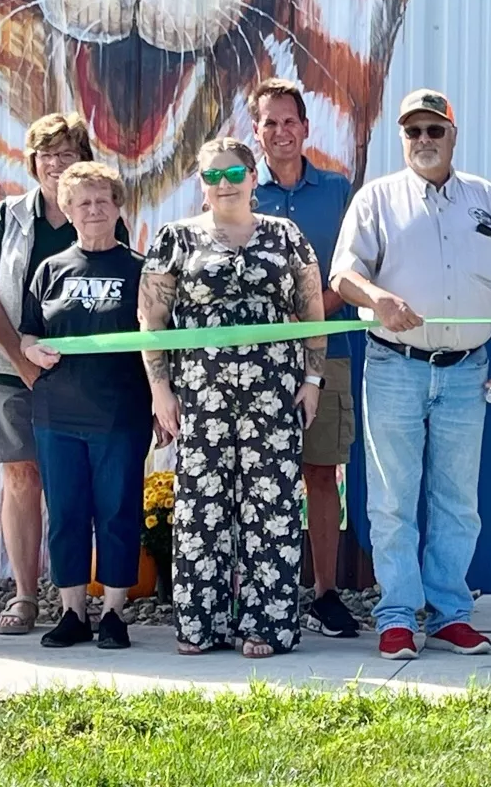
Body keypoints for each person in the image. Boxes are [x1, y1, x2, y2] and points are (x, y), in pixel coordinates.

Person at [334, 88, 491, 661]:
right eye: (413, 131)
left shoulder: (486, 199)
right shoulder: (376, 199)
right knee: (393, 498)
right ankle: (396, 615)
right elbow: (344, 273)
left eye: (434, 131)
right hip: (395, 367)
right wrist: (378, 298)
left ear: (453, 133)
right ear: (403, 138)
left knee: (456, 500)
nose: (424, 140)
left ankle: (450, 614)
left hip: (466, 372)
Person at [139, 139, 327, 659]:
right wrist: (161, 391)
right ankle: (202, 624)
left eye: (235, 172)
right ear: (201, 182)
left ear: (252, 177)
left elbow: (312, 314)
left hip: (275, 394)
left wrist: (312, 381)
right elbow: (151, 321)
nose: (226, 183)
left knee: (273, 507)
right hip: (201, 394)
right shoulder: (175, 239)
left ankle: (265, 625)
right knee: (202, 507)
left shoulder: (286, 237)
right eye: (213, 174)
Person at [0, 112, 127, 636]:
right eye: (48, 154)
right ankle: (25, 597)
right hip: (11, 372)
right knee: (22, 478)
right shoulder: (8, 216)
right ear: (33, 161)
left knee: (91, 494)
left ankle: (98, 606)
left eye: (69, 153)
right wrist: (24, 366)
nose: (58, 163)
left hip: (92, 387)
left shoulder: (99, 212)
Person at [18, 162, 151, 650]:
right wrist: (31, 350)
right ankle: (72, 610)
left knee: (118, 511)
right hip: (58, 416)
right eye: (82, 202)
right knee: (67, 512)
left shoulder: (139, 271)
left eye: (102, 201)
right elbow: (29, 331)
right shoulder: (50, 269)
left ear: (118, 208)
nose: (93, 210)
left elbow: (157, 342)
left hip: (121, 414)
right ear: (69, 210)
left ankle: (114, 612)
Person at [248, 78, 361, 639]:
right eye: (269, 122)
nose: (280, 131)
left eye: (289, 120)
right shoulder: (241, 193)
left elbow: (354, 266)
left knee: (320, 472)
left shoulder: (338, 192)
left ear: (306, 127)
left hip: (330, 352)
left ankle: (323, 593)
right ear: (256, 131)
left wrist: (312, 317)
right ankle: (260, 594)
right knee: (257, 476)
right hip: (255, 363)